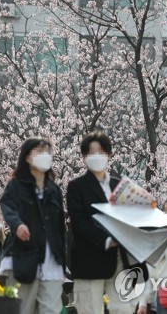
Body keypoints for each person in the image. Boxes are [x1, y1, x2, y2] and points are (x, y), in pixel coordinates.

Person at [67, 131, 142, 314]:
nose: (96, 156)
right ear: (84, 157)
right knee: (89, 308)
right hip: (88, 257)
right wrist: (108, 239)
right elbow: (79, 222)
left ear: (109, 155)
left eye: (101, 152)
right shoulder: (76, 187)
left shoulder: (121, 185)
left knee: (124, 308)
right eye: (91, 153)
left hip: (120, 258)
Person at [0, 137, 66, 314]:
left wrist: (63, 256)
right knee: (22, 308)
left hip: (52, 259)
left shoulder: (54, 190)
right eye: (39, 151)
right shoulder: (16, 186)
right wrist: (17, 225)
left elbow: (60, 227)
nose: (44, 156)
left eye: (47, 152)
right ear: (27, 157)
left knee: (51, 309)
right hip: (24, 256)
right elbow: (8, 208)